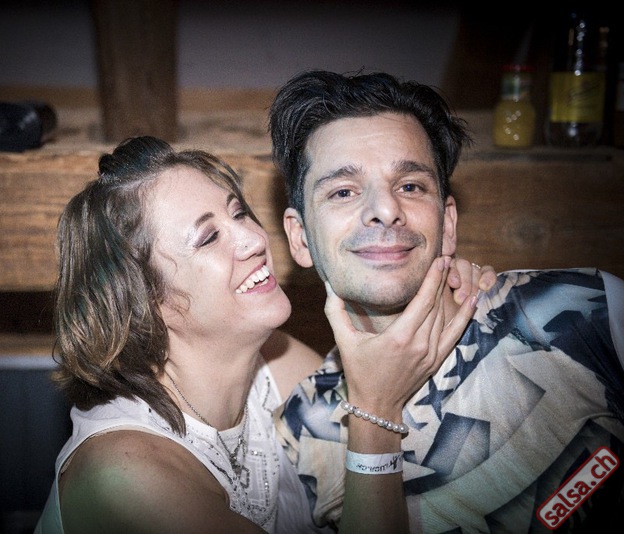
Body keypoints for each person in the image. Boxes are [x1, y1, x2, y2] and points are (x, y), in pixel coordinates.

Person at [32, 135, 493, 533]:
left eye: (238, 213)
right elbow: (376, 414)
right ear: (146, 302)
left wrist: (454, 298)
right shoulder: (125, 477)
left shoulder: (276, 361)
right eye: (209, 238)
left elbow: (404, 436)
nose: (254, 239)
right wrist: (374, 412)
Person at [268, 69, 624, 532]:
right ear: (300, 238)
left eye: (410, 186)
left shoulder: (587, 310)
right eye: (343, 191)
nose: (385, 210)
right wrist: (374, 411)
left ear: (448, 222)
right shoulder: (299, 439)